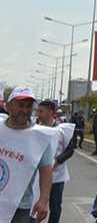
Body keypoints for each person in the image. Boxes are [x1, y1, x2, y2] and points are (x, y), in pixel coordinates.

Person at [0, 87, 54, 223]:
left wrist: (43, 200)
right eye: (20, 105)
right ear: (8, 106)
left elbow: (46, 170)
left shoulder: (40, 137)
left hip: (21, 207)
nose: (24, 110)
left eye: (29, 106)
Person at [36, 99, 77, 223]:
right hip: (38, 176)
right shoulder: (34, 129)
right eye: (38, 111)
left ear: (50, 112)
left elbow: (70, 150)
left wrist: (57, 160)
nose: (38, 114)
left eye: (41, 111)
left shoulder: (63, 130)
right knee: (35, 203)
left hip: (57, 175)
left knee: (55, 206)